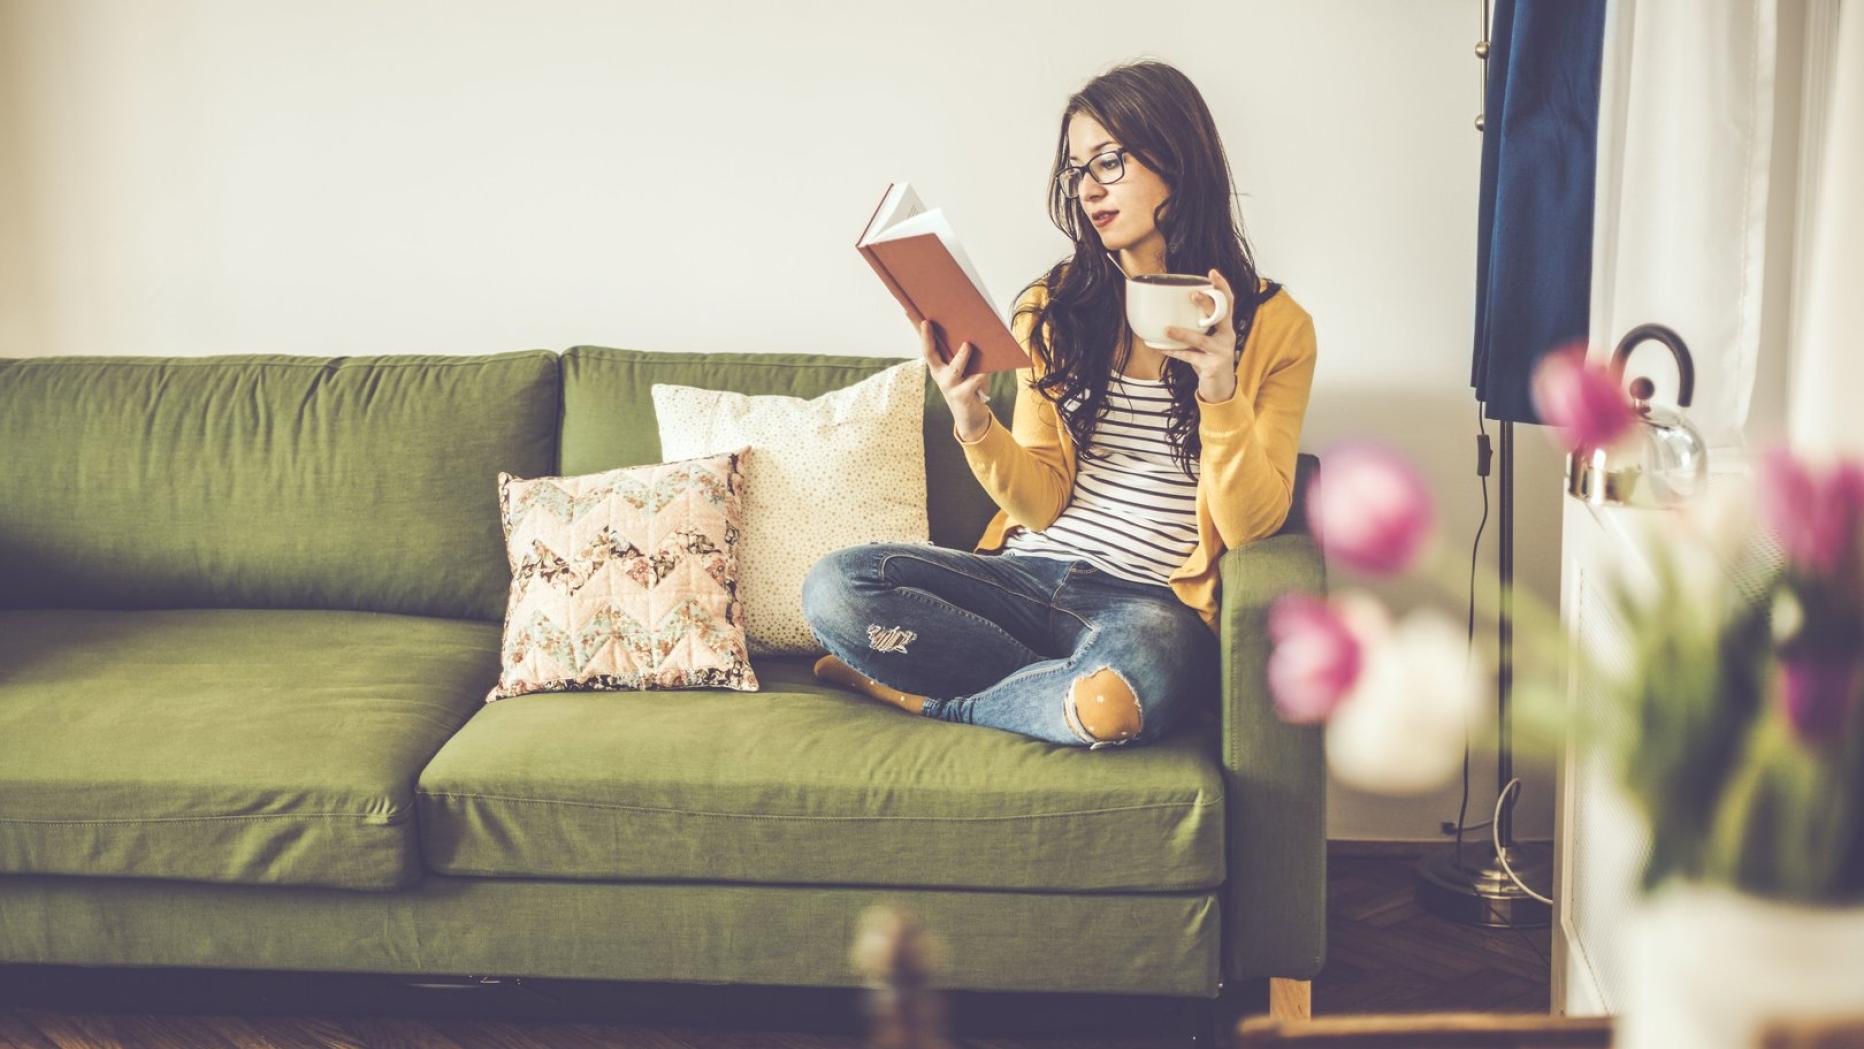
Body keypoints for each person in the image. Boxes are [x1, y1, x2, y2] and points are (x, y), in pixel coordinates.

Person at [800, 59, 1318, 749]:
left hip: (1149, 607)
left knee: (1113, 700)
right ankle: (1054, 691)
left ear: (1178, 157)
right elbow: (1040, 502)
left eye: (1110, 162)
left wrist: (1220, 391)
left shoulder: (1276, 327)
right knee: (836, 587)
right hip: (1022, 576)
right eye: (1078, 170)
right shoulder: (1053, 306)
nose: (1090, 188)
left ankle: (917, 693)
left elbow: (1253, 525)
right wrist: (972, 417)